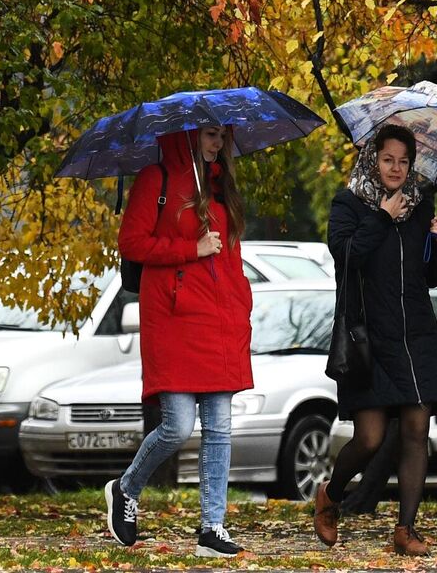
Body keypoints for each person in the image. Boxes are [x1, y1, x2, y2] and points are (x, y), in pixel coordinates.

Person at [103, 126, 253, 559]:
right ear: (187, 136)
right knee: (177, 427)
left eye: (222, 136)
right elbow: (131, 243)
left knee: (220, 429)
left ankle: (213, 526)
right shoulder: (157, 179)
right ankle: (126, 488)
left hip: (219, 318)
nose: (217, 144)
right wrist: (191, 247)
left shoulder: (221, 183)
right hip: (173, 318)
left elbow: (229, 256)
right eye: (209, 135)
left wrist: (241, 301)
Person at [311, 123, 437, 556]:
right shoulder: (348, 203)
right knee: (370, 438)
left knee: (416, 428)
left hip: (416, 336)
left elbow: (431, 277)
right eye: (388, 159)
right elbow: (346, 255)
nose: (395, 168)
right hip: (368, 339)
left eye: (404, 162)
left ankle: (405, 529)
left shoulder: (420, 205)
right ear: (374, 159)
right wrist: (381, 217)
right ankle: (330, 495)